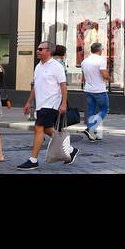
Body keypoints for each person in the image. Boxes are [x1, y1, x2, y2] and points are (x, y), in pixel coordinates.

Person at [18, 41, 78, 170]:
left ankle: (33, 160)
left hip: (51, 104)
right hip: (40, 104)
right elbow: (35, 86)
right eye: (38, 48)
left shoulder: (56, 66)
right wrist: (29, 102)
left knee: (38, 128)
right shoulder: (38, 66)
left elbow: (63, 87)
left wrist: (63, 104)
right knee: (46, 129)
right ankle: (70, 150)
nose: (38, 50)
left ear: (49, 51)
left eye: (40, 49)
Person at [80, 42, 111, 141]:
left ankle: (92, 134)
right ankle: (91, 128)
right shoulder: (100, 60)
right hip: (99, 90)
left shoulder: (84, 61)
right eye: (102, 49)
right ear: (99, 50)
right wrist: (110, 78)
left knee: (91, 111)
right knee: (104, 109)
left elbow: (83, 78)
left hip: (88, 89)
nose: (102, 50)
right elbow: (104, 75)